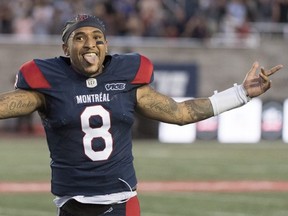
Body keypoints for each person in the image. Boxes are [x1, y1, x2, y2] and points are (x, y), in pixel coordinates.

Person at [0, 14, 283, 216]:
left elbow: (180, 112)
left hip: (121, 204)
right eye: (80, 38)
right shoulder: (48, 84)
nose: (90, 44)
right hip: (71, 206)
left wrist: (240, 94)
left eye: (98, 38)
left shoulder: (125, 79)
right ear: (65, 49)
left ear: (106, 46)